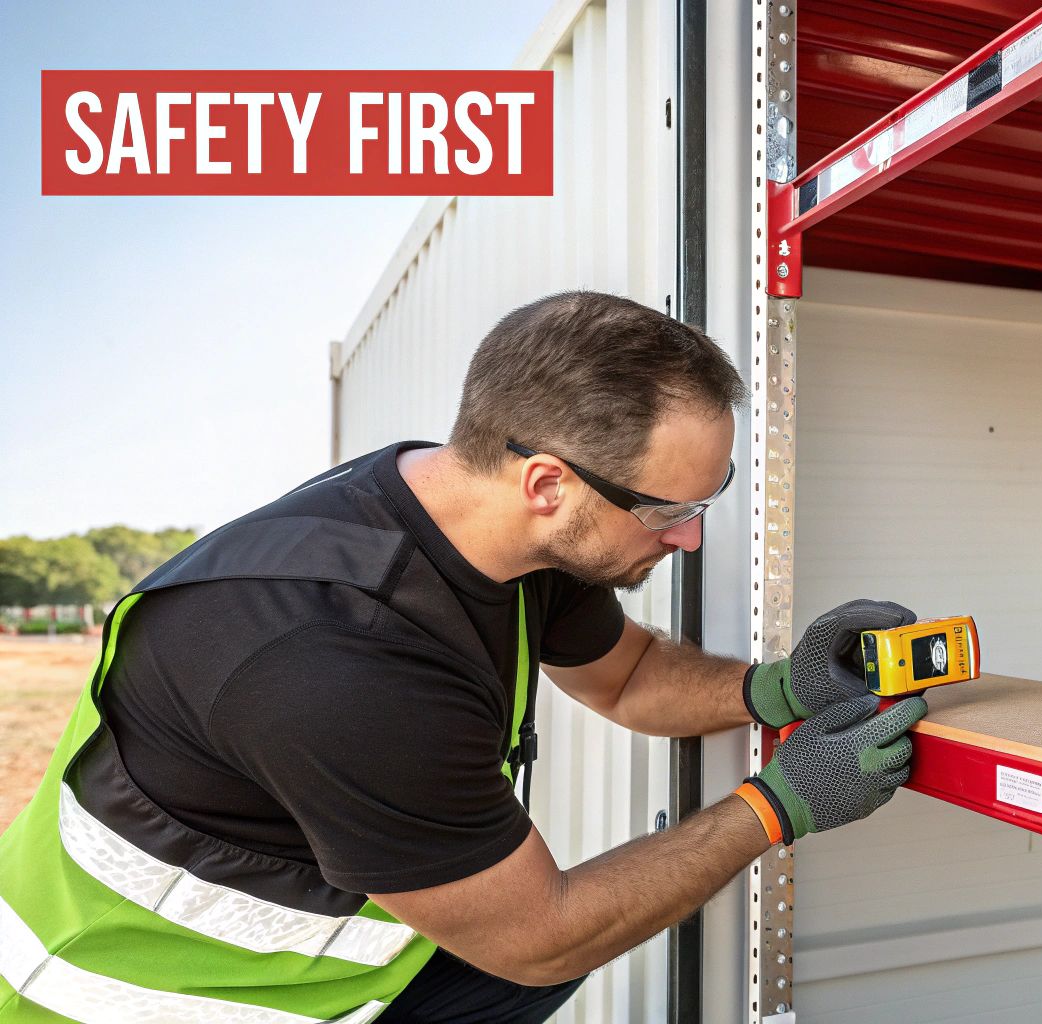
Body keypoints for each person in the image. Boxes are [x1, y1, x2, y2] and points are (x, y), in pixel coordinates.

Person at [0, 292, 925, 1024]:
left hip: (335, 964)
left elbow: (630, 677)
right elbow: (541, 939)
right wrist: (778, 805)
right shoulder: (339, 666)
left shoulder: (497, 527)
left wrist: (776, 689)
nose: (689, 538)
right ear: (547, 482)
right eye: (667, 511)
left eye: (705, 500)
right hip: (141, 994)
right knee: (548, 945)